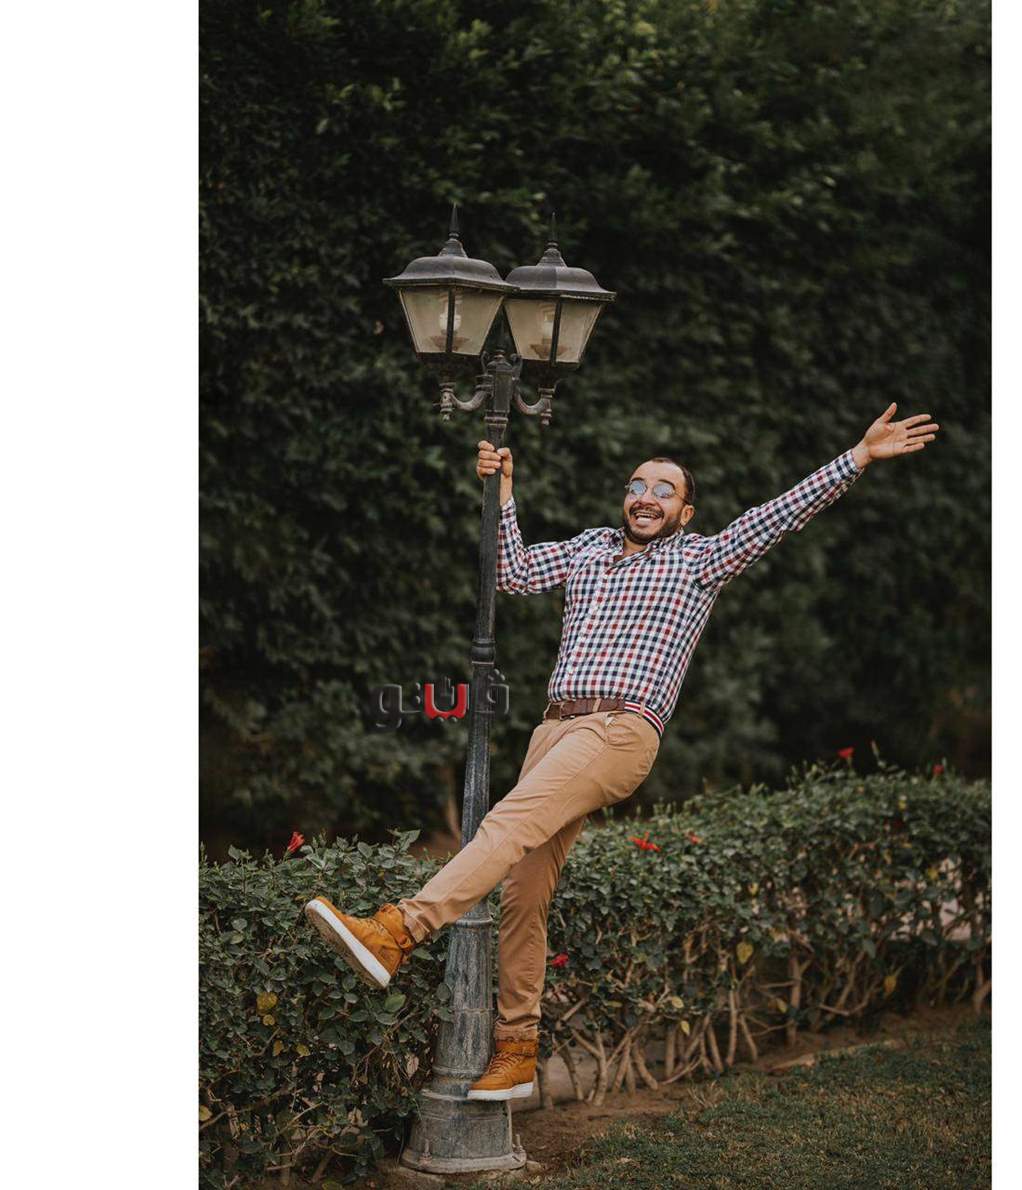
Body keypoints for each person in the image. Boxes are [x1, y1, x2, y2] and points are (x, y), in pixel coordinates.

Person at [305, 402, 939, 1100]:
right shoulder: (589, 548)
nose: (646, 497)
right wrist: (504, 492)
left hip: (619, 731)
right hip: (553, 731)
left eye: (665, 490)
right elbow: (513, 574)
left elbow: (776, 517)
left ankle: (397, 931)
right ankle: (517, 1052)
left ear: (685, 512)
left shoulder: (699, 561)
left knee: (504, 825)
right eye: (638, 485)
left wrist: (858, 456)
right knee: (523, 893)